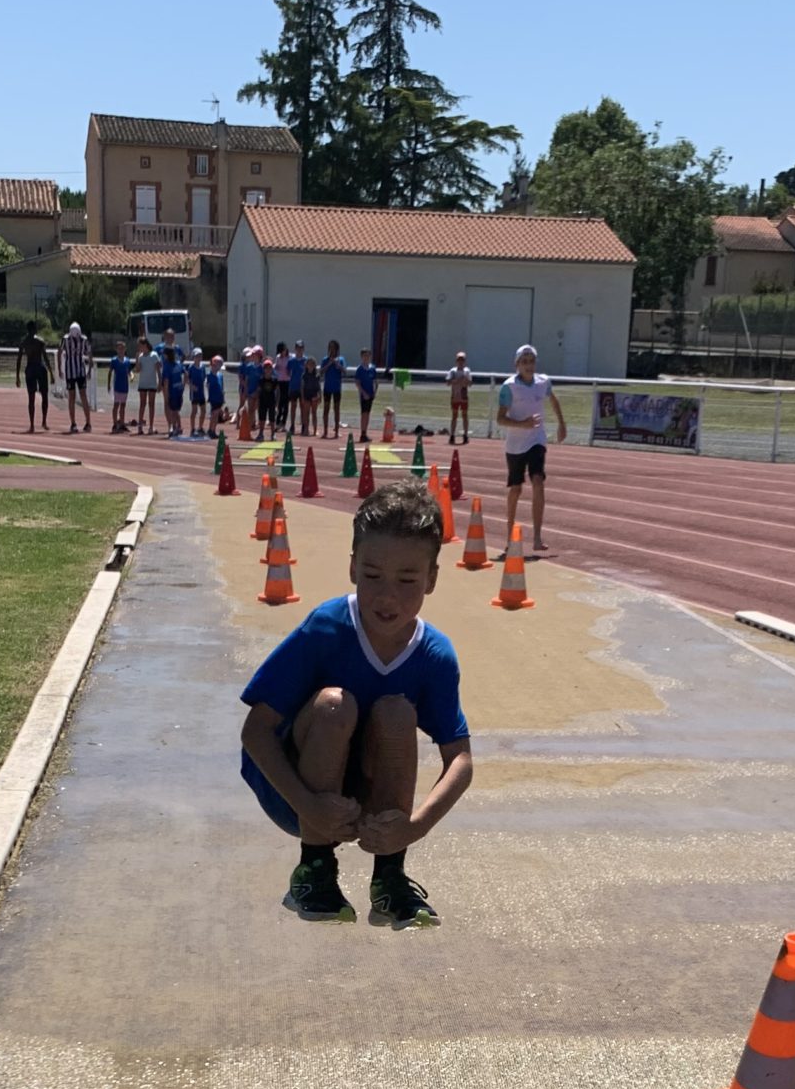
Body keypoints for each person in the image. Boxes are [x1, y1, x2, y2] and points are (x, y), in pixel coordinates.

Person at [239, 479, 472, 930]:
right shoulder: (326, 627)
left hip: (363, 800)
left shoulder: (434, 654)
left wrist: (416, 826)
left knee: (397, 712)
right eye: (372, 576)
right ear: (351, 568)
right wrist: (307, 804)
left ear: (432, 579)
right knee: (333, 704)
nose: (387, 595)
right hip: (294, 796)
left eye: (407, 580)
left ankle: (389, 876)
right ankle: (314, 869)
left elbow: (459, 758)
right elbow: (255, 731)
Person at [496, 341, 568, 554]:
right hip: (515, 444)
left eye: (532, 361)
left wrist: (561, 424)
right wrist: (522, 424)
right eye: (524, 362)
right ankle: (510, 535)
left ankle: (537, 537)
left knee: (538, 481)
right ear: (517, 364)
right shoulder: (509, 387)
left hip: (537, 439)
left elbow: (554, 401)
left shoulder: (543, 382)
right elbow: (500, 419)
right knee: (516, 489)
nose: (529, 365)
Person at [15, 321, 51, 432]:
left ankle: (32, 425)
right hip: (40, 368)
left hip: (30, 368)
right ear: (35, 329)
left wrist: (17, 376)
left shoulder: (24, 342)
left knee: (31, 398)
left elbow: (19, 360)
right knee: (44, 395)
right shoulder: (40, 342)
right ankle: (44, 421)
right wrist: (51, 372)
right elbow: (45, 357)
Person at [60, 321, 93, 433]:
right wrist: (60, 368)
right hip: (73, 371)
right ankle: (75, 422)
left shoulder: (82, 340)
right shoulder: (66, 340)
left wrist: (89, 370)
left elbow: (89, 352)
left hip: (78, 371)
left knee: (80, 396)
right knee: (73, 397)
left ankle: (86, 422)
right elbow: (60, 351)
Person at [136, 338, 162, 433]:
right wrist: (137, 359)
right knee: (142, 404)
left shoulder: (154, 355)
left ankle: (151, 426)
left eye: (140, 345)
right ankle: (140, 426)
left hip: (152, 383)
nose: (139, 348)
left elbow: (158, 369)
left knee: (151, 404)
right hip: (143, 383)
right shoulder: (141, 356)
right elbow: (138, 370)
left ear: (145, 345)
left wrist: (160, 382)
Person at [320, 339, 345, 438]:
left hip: (337, 388)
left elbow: (344, 371)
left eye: (334, 348)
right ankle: (325, 431)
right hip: (327, 388)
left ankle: (336, 431)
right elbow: (321, 372)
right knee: (326, 409)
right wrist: (329, 363)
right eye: (330, 348)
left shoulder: (341, 359)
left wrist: (337, 364)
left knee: (337, 409)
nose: (332, 350)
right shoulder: (325, 359)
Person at [446, 350, 471, 445]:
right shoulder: (453, 371)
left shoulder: (467, 371)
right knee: (454, 416)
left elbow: (469, 383)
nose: (460, 362)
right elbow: (448, 382)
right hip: (455, 396)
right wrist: (458, 380)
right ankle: (452, 435)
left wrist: (465, 381)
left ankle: (465, 435)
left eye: (462, 360)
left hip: (464, 396)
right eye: (459, 359)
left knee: (465, 416)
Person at [108, 338, 133, 431]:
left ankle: (122, 423)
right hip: (117, 386)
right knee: (116, 405)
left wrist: (132, 376)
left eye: (122, 348)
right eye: (119, 348)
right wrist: (108, 384)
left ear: (125, 349)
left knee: (123, 405)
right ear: (116, 349)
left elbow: (129, 371)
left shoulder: (127, 360)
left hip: (125, 386)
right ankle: (115, 423)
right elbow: (110, 372)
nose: (121, 350)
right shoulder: (114, 360)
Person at [355, 347, 379, 443]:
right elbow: (357, 383)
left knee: (368, 413)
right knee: (364, 413)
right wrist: (363, 393)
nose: (366, 357)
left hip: (370, 394)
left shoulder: (372, 368)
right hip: (364, 394)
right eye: (364, 356)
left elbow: (375, 381)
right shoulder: (360, 369)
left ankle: (365, 432)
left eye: (368, 356)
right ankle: (363, 433)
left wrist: (375, 392)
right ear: (361, 357)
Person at [187, 346, 209, 437]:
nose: (199, 358)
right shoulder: (191, 367)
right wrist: (192, 386)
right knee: (194, 410)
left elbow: (204, 378)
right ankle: (192, 429)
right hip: (194, 392)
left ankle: (200, 427)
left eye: (200, 356)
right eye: (197, 356)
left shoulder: (202, 367)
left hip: (201, 392)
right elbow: (187, 379)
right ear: (194, 357)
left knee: (203, 410)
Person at [301, 345, 322, 437]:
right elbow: (301, 387)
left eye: (312, 364)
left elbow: (319, 387)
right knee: (306, 413)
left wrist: (320, 396)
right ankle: (306, 429)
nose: (311, 366)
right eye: (309, 364)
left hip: (314, 395)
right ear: (306, 365)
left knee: (314, 413)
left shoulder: (317, 375)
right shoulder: (304, 375)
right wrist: (302, 397)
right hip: (306, 395)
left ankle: (315, 429)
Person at [207, 351, 227, 430]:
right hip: (213, 398)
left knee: (216, 414)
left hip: (219, 398)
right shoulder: (209, 375)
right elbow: (208, 386)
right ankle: (210, 429)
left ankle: (213, 429)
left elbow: (221, 387)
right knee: (214, 414)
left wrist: (223, 397)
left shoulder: (220, 375)